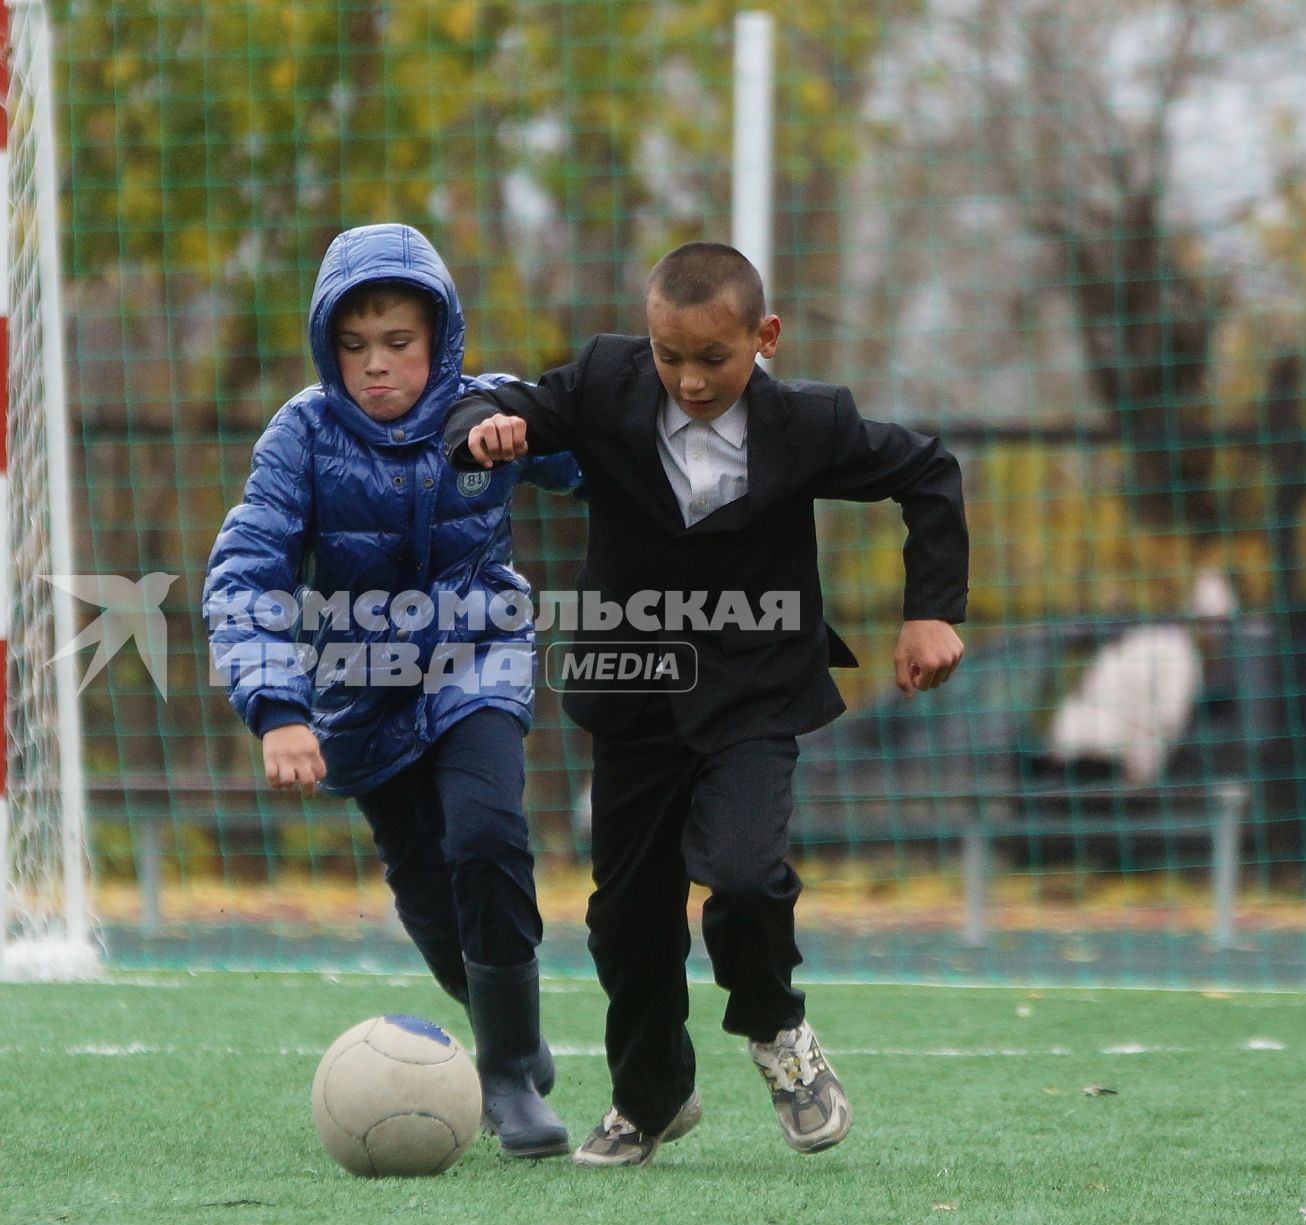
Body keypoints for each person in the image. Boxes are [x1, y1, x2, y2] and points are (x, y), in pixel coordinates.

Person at [444, 242, 968, 1167]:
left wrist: (929, 611)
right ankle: (650, 1099)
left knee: (743, 872)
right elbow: (507, 401)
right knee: (626, 919)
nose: (688, 380)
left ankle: (778, 1031)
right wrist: (484, 425)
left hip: (755, 693)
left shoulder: (811, 424)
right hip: (633, 695)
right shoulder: (608, 381)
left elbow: (926, 473)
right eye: (669, 356)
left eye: (713, 360)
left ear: (764, 338)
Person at [203, 223, 583, 1159]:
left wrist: (538, 431)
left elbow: (595, 460)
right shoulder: (301, 433)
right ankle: (519, 1041)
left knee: (487, 835)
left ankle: (503, 1084)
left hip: (478, 656)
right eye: (355, 345)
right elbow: (245, 574)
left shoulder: (487, 406)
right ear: (328, 346)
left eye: (399, 344)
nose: (377, 366)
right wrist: (281, 711)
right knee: (423, 884)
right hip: (359, 690)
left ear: (440, 339)